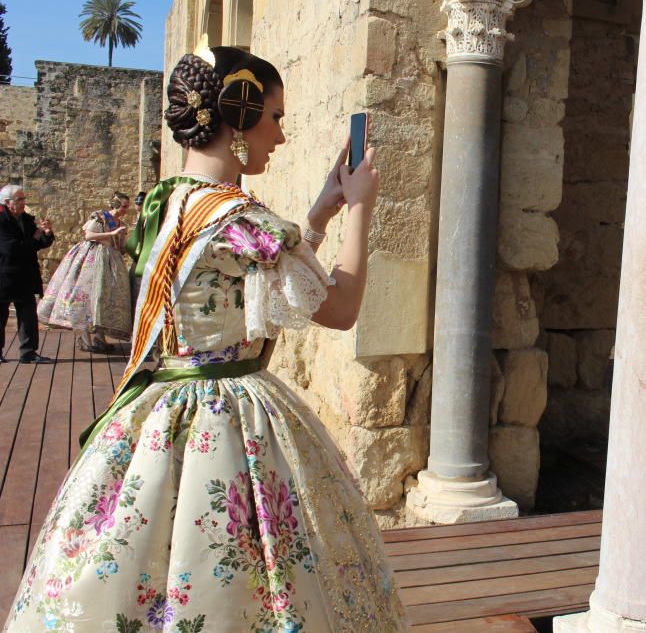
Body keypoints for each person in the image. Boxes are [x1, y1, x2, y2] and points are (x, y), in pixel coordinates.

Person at [5, 46, 406, 631]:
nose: (281, 136)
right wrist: (363, 209)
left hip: (156, 407)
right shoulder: (242, 219)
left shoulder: (163, 202)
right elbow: (340, 308)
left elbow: (258, 281)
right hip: (226, 414)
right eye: (274, 116)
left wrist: (318, 215)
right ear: (238, 116)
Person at [37, 192, 132, 353]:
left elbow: (119, 247)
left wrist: (123, 240)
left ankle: (99, 338)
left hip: (110, 261)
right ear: (115, 205)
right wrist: (111, 234)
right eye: (124, 206)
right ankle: (86, 339)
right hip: (92, 259)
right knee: (85, 297)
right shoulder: (100, 217)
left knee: (102, 298)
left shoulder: (120, 222)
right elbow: (88, 235)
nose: (125, 210)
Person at [0, 184, 55, 364]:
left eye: (24, 199)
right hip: (5, 276)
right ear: (8, 203)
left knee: (28, 316)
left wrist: (46, 233)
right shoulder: (1, 221)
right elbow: (11, 249)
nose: (24, 202)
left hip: (25, 275)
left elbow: (38, 244)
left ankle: (29, 352)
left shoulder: (25, 219)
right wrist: (34, 239)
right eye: (20, 199)